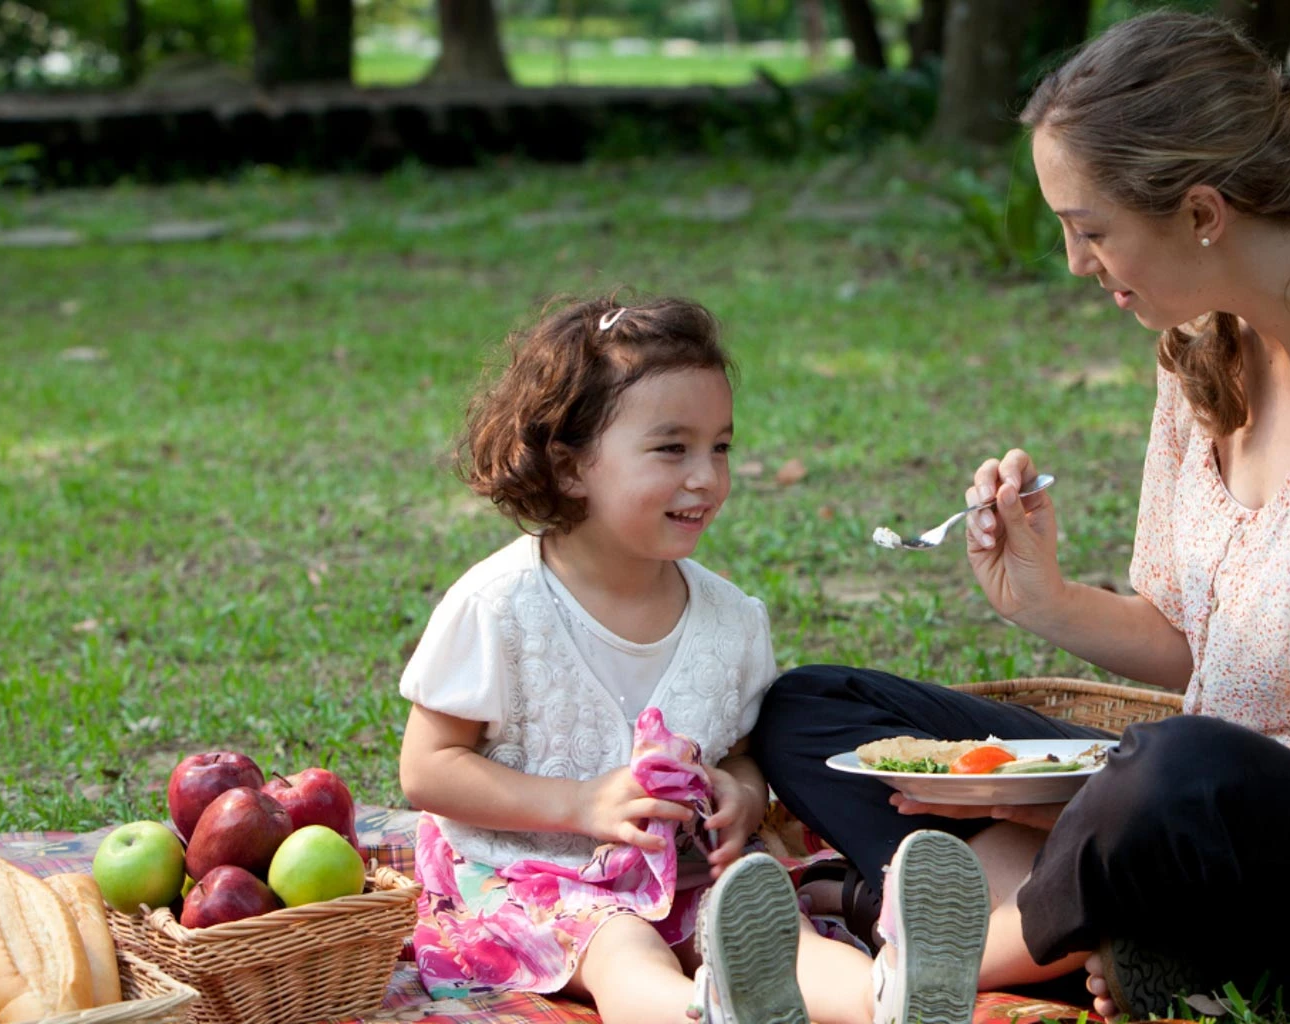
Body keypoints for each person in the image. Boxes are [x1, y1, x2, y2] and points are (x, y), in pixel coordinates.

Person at [751, 11, 1290, 1019]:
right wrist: (1044, 597)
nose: (1077, 262)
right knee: (810, 707)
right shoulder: (1205, 333)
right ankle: (1103, 916)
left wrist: (1104, 803)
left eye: (1089, 229)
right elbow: (1197, 648)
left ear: (1202, 212)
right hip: (1186, 813)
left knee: (1169, 765)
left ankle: (952, 956)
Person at [396, 295, 987, 1024]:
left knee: (772, 928)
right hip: (529, 871)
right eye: (672, 448)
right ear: (571, 466)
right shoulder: (501, 607)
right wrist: (578, 804)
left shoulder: (731, 621)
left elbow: (740, 752)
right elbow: (427, 768)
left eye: (721, 447)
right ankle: (698, 1012)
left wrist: (741, 793)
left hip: (688, 871)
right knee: (617, 945)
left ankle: (892, 998)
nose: (706, 476)